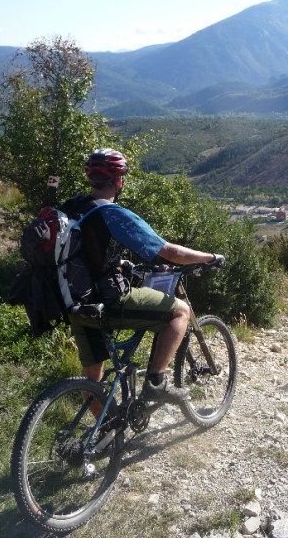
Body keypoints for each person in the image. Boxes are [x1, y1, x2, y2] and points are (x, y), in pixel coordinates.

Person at [66, 148, 224, 404]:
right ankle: (155, 383)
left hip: (75, 302)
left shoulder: (72, 207)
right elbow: (170, 252)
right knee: (180, 312)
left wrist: (118, 262)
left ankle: (103, 437)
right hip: (107, 300)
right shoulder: (113, 213)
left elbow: (85, 252)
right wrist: (210, 257)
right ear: (119, 181)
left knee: (92, 380)